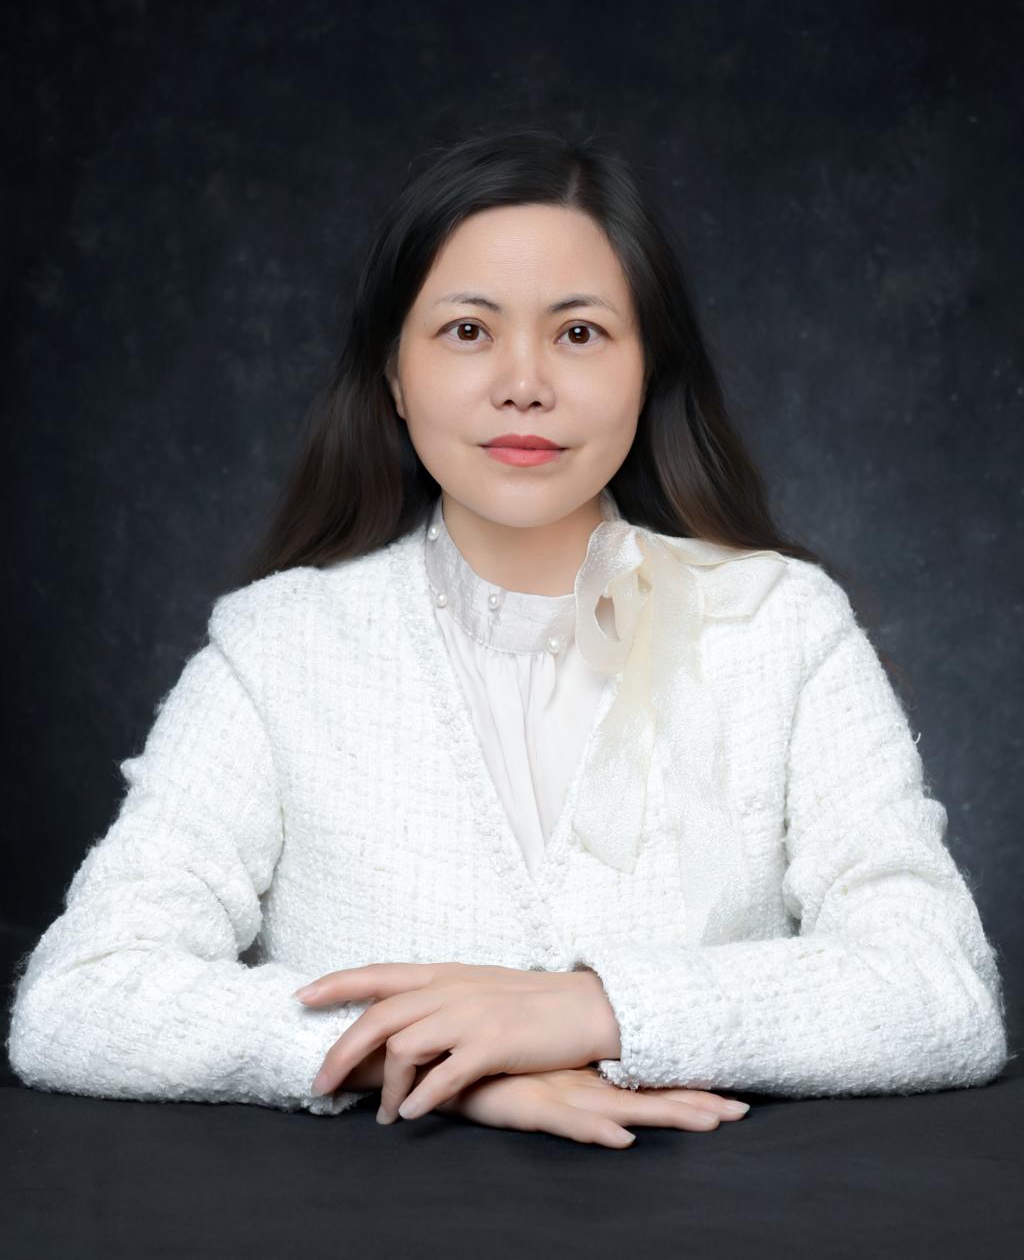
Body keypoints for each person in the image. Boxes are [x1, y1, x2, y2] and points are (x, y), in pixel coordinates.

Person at [6, 128, 1009, 1150]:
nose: (524, 382)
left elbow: (941, 991)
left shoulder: (783, 622)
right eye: (467, 330)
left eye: (578, 332)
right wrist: (440, 1061)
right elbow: (82, 997)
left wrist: (594, 1009)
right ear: (393, 374)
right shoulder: (278, 647)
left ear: (648, 369)